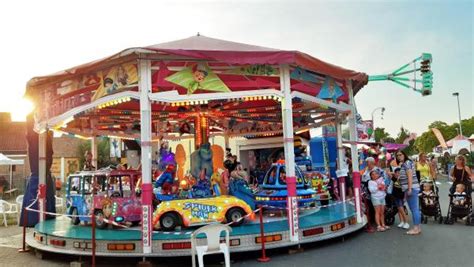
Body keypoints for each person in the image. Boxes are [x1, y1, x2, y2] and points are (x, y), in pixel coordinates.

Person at [396, 150, 421, 235]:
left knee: (414, 209)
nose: (399, 156)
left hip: (411, 189)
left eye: (400, 154)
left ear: (404, 154)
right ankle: (417, 227)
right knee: (414, 209)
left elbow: (410, 176)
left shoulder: (407, 163)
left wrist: (409, 189)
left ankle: (416, 228)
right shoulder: (405, 164)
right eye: (397, 155)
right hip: (410, 188)